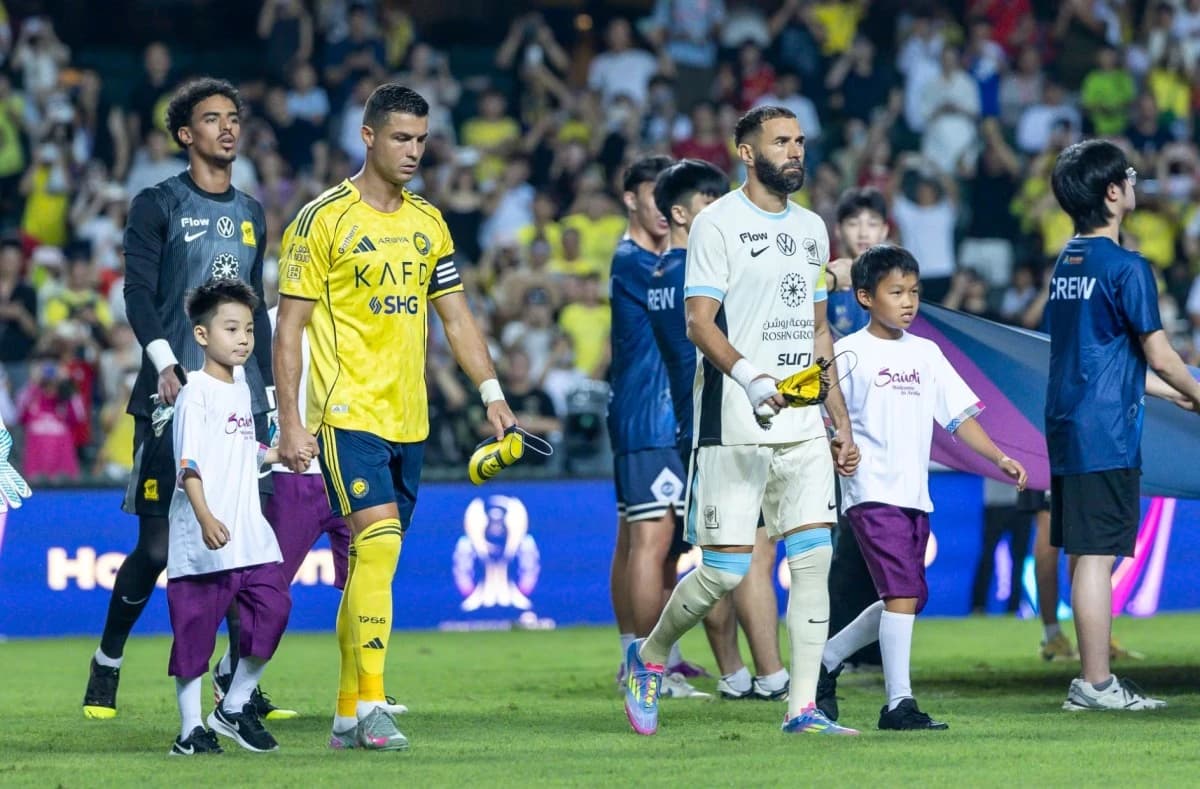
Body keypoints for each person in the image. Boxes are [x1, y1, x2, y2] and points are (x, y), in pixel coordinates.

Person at [273, 84, 517, 751]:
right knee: (376, 547)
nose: (414, 150)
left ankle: (349, 711)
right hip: (345, 409)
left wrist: (491, 390)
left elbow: (457, 317)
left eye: (422, 139)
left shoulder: (429, 222)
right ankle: (376, 702)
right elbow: (288, 327)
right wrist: (292, 421)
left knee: (369, 567)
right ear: (369, 136)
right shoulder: (321, 218)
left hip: (410, 416)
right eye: (402, 138)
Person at [622, 105, 861, 737]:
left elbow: (817, 330)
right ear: (748, 153)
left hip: (804, 421)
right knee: (724, 570)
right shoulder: (717, 224)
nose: (795, 152)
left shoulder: (812, 228)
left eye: (800, 141)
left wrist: (838, 418)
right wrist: (752, 378)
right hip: (733, 420)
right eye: (781, 142)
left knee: (812, 559)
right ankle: (648, 655)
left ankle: (803, 708)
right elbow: (699, 322)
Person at [82, 78, 285, 720]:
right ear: (184, 135)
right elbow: (138, 294)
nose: (227, 128)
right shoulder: (157, 204)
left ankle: (235, 684)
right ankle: (108, 660)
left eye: (233, 118)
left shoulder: (252, 213)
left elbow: (259, 310)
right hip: (171, 396)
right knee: (158, 550)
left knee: (244, 545)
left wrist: (274, 395)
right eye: (211, 119)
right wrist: (167, 363)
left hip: (241, 404)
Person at [815, 245, 1028, 731]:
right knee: (904, 594)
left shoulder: (927, 353)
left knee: (907, 597)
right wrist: (836, 444)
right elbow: (823, 413)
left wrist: (997, 456)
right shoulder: (847, 352)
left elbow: (958, 417)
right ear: (865, 297)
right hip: (870, 490)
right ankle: (899, 704)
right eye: (896, 292)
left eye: (914, 292)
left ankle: (826, 658)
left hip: (915, 492)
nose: (908, 302)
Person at [1044, 139, 1200, 710]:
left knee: (1087, 552)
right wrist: (1195, 391)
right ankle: (1096, 684)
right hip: (1105, 429)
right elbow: (1158, 354)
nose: (1135, 183)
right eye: (1129, 176)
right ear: (1113, 192)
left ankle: (1094, 681)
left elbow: (1103, 356)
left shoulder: (1068, 262)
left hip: (1069, 421)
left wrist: (1173, 395)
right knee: (1097, 556)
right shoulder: (1128, 267)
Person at [648, 158, 791, 701]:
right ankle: (771, 675)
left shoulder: (660, 275)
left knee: (723, 555)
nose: (722, 208)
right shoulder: (699, 277)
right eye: (709, 200)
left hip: (702, 425)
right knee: (748, 554)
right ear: (680, 214)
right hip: (724, 422)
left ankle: (734, 674)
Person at [166, 279, 294, 756]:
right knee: (194, 644)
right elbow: (189, 464)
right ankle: (189, 731)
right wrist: (204, 517)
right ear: (202, 336)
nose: (244, 338)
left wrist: (275, 453)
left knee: (275, 610)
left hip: (249, 536)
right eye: (231, 328)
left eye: (248, 330)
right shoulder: (194, 392)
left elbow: (239, 448)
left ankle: (234, 705)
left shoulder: (242, 387)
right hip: (204, 541)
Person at [607, 155, 710, 698]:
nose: (667, 213)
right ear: (632, 200)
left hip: (634, 413)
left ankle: (636, 653)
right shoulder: (636, 262)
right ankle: (651, 666)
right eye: (656, 199)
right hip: (653, 416)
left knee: (637, 540)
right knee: (652, 540)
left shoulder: (639, 260)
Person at [824, 187, 890, 673]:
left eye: (872, 221)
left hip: (882, 432)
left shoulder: (897, 287)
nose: (864, 230)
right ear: (839, 232)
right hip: (827, 430)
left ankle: (867, 650)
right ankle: (834, 646)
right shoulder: (822, 285)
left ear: (886, 230)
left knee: (874, 540)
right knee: (839, 542)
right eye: (854, 222)